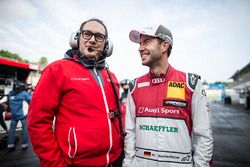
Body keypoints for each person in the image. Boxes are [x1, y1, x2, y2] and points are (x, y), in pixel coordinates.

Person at [28, 18, 124, 167]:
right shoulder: (57, 70)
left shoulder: (111, 77)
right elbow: (38, 123)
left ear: (106, 45)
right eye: (87, 34)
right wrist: (54, 164)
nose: (92, 40)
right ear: (76, 38)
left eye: (99, 37)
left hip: (114, 161)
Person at [123, 25, 213, 167]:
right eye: (140, 44)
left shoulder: (191, 83)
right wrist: (128, 164)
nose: (140, 48)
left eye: (146, 42)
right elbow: (130, 132)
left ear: (164, 46)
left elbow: (203, 135)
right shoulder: (134, 86)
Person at [7, 81, 31, 152]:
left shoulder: (10, 94)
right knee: (25, 129)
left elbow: (8, 102)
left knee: (12, 130)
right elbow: (31, 99)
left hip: (14, 115)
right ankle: (24, 145)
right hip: (22, 115)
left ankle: (10, 145)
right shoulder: (23, 94)